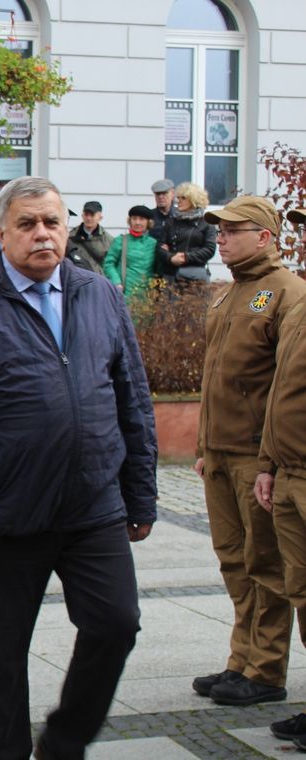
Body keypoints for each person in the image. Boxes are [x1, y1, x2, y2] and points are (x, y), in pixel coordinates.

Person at [0, 175, 157, 760]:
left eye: (52, 222)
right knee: (0, 657)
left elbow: (133, 399)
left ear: (68, 227)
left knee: (117, 624)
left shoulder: (99, 294)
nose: (42, 234)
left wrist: (140, 494)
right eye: (27, 224)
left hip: (93, 505)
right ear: (0, 234)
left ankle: (64, 741)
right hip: (6, 513)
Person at [188, 196, 306, 709]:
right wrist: (200, 445)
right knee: (234, 564)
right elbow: (216, 376)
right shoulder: (229, 292)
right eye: (220, 230)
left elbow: (285, 384)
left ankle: (265, 669)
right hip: (219, 452)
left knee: (267, 568)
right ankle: (240, 659)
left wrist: (267, 462)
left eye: (233, 230)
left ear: (264, 237)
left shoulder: (285, 293)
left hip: (255, 456)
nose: (222, 238)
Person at [256, 210, 306, 750]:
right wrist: (269, 463)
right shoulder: (302, 302)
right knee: (302, 594)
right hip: (290, 474)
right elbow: (281, 391)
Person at [157, 182, 216, 287]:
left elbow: (209, 249)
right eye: (178, 198)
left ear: (194, 200)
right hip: (170, 276)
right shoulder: (171, 222)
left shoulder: (206, 223)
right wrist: (171, 258)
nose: (178, 201)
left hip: (195, 278)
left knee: (194, 303)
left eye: (183, 198)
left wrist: (186, 257)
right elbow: (160, 247)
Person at [104, 205, 162, 301]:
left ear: (148, 222)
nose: (137, 222)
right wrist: (116, 282)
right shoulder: (121, 240)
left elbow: (158, 269)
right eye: (134, 219)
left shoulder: (153, 243)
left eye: (141, 219)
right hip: (124, 293)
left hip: (147, 295)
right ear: (130, 221)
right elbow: (108, 264)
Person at [66, 200, 113, 275]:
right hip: (77, 279)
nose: (88, 218)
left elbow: (111, 265)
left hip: (99, 280)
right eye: (86, 214)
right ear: (82, 216)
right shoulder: (71, 236)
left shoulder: (108, 240)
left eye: (92, 215)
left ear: (100, 217)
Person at [149, 178, 177, 244]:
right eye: (158, 194)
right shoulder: (148, 216)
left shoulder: (180, 216)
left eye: (164, 193)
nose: (160, 197)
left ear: (173, 194)